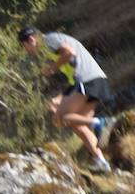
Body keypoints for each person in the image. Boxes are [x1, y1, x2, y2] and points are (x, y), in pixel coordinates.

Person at [19, 26, 114, 172]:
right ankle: (101, 161)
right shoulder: (51, 42)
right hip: (93, 80)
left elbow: (69, 53)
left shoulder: (48, 40)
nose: (28, 51)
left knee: (61, 118)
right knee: (77, 124)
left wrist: (52, 68)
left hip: (87, 80)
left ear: (31, 40)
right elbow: (72, 77)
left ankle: (102, 122)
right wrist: (59, 98)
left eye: (25, 47)